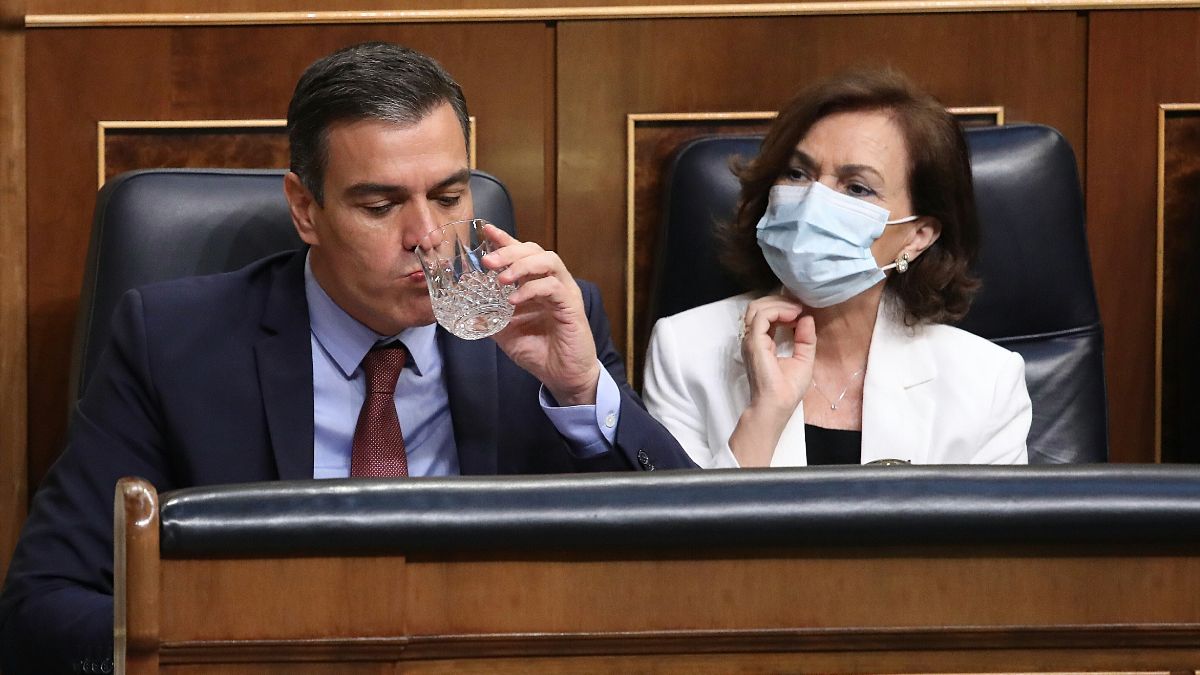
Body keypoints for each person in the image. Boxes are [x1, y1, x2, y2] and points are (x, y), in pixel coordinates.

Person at [0, 42, 694, 674]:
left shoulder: (542, 333)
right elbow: (43, 608)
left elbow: (691, 560)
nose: (425, 235)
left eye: (449, 196)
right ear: (305, 209)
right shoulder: (174, 343)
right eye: (380, 204)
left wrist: (581, 390)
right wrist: (245, 646)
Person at [642, 69, 1031, 469]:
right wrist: (764, 416)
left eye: (857, 188)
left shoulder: (987, 383)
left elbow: (990, 533)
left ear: (918, 236)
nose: (812, 202)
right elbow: (686, 528)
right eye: (797, 173)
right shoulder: (685, 351)